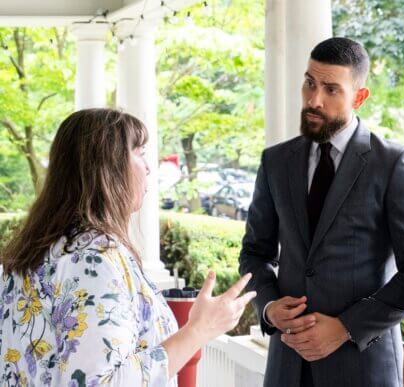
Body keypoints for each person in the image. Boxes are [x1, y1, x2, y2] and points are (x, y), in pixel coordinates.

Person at [0, 108, 255, 386]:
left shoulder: (39, 249)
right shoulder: (93, 259)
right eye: (140, 152)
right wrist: (200, 329)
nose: (148, 167)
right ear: (107, 165)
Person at [239, 37, 404, 387]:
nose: (314, 100)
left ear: (359, 97)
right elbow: (255, 253)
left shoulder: (392, 163)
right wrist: (269, 307)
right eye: (310, 84)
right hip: (287, 366)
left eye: (332, 89)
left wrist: (347, 327)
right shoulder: (275, 161)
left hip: (363, 367)